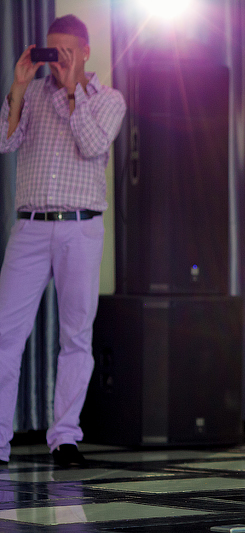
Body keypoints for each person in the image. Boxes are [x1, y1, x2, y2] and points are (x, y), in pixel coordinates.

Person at [0, 15, 126, 468]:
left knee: (76, 336)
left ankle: (66, 438)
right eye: (52, 51)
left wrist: (73, 91)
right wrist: (18, 86)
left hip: (80, 227)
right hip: (30, 227)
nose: (58, 60)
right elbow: (5, 141)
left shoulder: (109, 100)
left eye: (66, 51)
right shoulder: (32, 93)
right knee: (4, 335)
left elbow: (91, 145)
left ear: (85, 51)